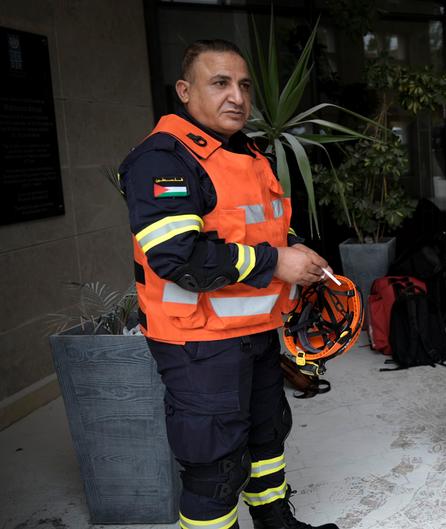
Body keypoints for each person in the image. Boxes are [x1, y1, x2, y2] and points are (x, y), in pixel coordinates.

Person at [119, 39, 338, 529]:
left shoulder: (246, 153)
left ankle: (276, 523)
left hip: (255, 330)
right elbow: (180, 258)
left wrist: (298, 252)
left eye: (243, 85)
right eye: (219, 83)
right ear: (184, 90)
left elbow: (260, 231)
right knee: (215, 467)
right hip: (196, 342)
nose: (236, 96)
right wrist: (276, 263)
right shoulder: (163, 160)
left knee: (266, 439)